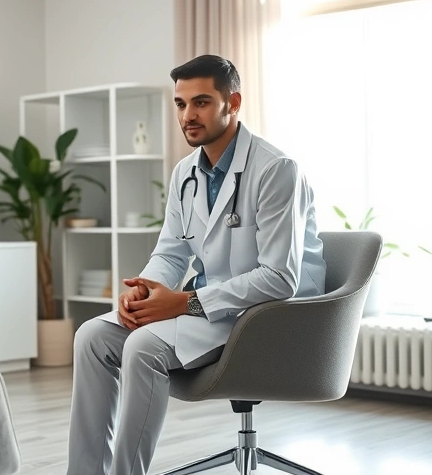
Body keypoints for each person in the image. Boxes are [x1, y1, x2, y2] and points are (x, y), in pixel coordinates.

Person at [66, 55, 326, 475]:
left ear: (233, 102)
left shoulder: (277, 171)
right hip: (205, 307)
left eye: (201, 102)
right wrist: (145, 290)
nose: (188, 115)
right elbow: (171, 252)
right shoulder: (185, 172)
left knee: (144, 346)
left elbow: (280, 279)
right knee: (92, 336)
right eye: (180, 104)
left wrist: (183, 303)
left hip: (261, 318)